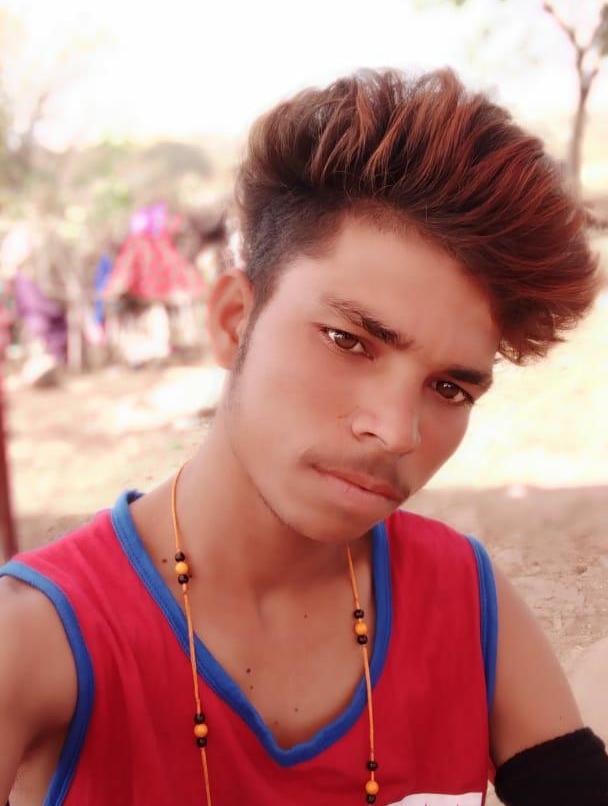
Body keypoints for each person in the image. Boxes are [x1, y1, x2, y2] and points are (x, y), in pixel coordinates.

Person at [1, 69, 607, 806]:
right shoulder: (39, 639)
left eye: (450, 388)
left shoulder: (465, 601)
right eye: (348, 341)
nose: (396, 431)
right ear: (233, 321)